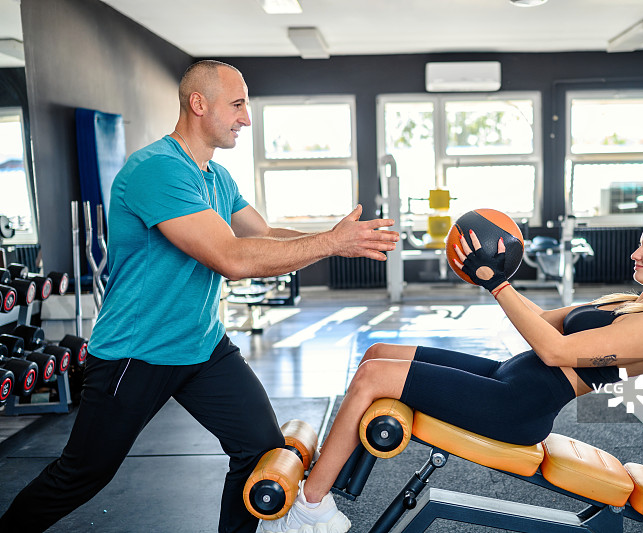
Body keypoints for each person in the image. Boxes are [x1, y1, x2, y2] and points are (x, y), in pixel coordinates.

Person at [0, 60, 398, 533]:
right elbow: (231, 257)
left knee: (259, 451)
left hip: (202, 345)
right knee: (82, 474)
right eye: (237, 105)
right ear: (198, 104)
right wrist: (332, 245)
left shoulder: (215, 176)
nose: (245, 119)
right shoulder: (157, 171)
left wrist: (334, 237)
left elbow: (264, 235)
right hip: (137, 351)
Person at [259, 206, 643, 533]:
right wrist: (494, 274)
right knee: (378, 353)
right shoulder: (626, 301)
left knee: (373, 379)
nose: (637, 254)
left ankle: (310, 509)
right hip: (507, 375)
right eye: (640, 243)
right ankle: (338, 479)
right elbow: (540, 324)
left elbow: (557, 352)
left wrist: (498, 284)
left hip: (517, 407)